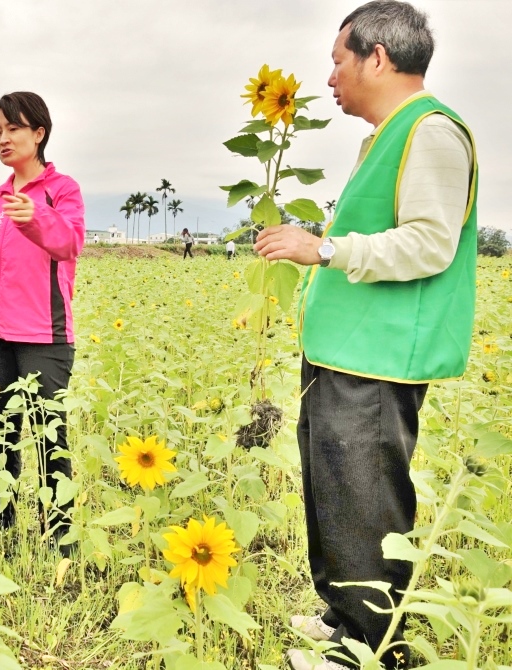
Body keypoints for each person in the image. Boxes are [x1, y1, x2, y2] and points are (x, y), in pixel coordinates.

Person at [254, 3, 476, 668]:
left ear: (377, 56)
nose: (330, 77)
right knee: (335, 490)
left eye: (337, 61)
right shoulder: (387, 135)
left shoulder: (432, 132)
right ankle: (341, 612)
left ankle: (368, 647)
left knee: (366, 497)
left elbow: (429, 245)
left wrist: (323, 250)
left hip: (380, 359)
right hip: (345, 350)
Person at [0, 92, 85, 556]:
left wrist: (36, 217)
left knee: (50, 435)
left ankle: (58, 535)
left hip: (44, 336)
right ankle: (0, 521)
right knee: (1, 430)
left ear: (39, 132)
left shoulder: (61, 191)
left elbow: (69, 245)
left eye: (13, 129)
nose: (4, 139)